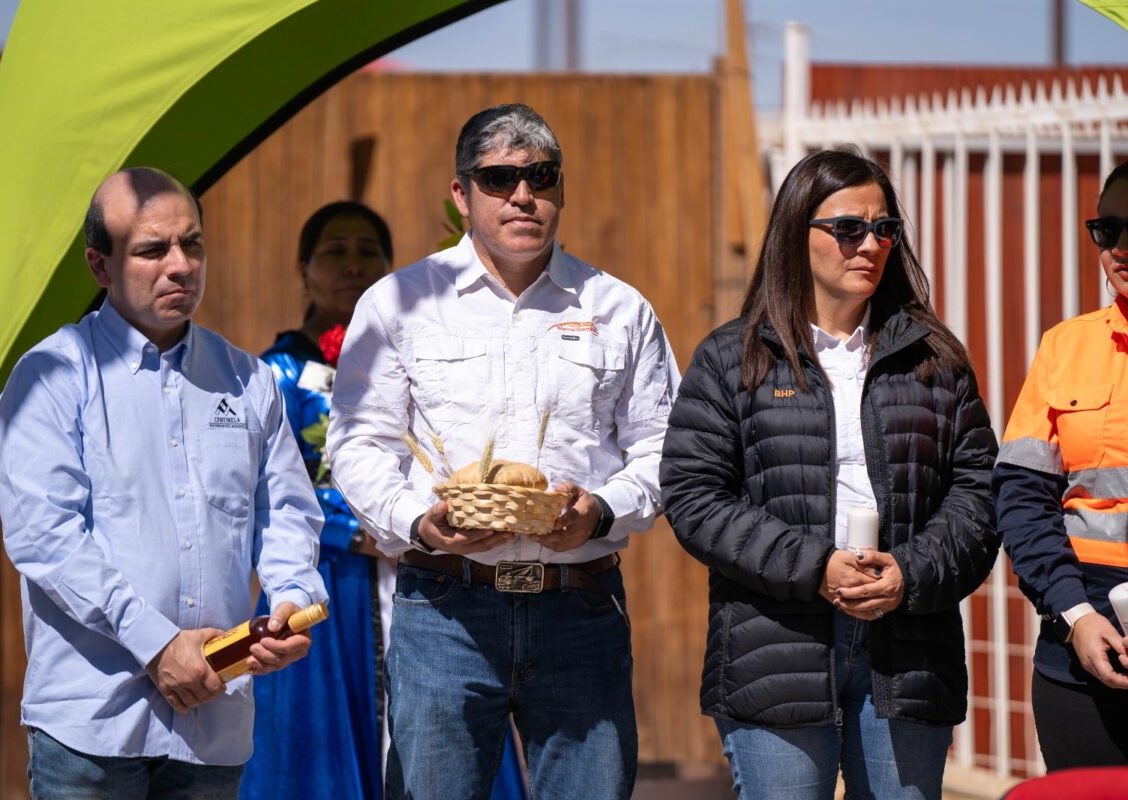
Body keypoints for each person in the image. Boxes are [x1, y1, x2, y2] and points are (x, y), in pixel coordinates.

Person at [325, 103, 680, 799]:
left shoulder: (619, 309)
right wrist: (418, 522)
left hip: (579, 607)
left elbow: (666, 449)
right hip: (444, 610)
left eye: (540, 176)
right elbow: (358, 441)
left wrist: (602, 510)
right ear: (461, 194)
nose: (523, 195)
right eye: (499, 178)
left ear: (561, 188)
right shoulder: (398, 302)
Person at [660, 149, 1000, 799]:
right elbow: (694, 495)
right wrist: (814, 566)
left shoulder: (935, 358)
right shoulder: (734, 358)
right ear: (797, 232)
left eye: (884, 230)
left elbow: (978, 493)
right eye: (848, 228)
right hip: (776, 649)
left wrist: (911, 572)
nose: (869, 244)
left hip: (907, 655)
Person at [0, 167, 328, 799]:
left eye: (192, 244)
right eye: (151, 249)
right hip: (92, 728)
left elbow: (286, 514)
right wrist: (158, 645)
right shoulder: (52, 378)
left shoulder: (248, 381)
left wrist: (289, 598)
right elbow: (47, 540)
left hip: (212, 725)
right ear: (99, 266)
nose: (180, 265)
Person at [241, 201, 527, 800]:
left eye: (367, 251)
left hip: (431, 569)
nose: (352, 265)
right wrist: (356, 527)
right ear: (303, 268)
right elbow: (268, 488)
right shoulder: (275, 375)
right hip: (332, 580)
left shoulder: (427, 358)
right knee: (323, 744)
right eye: (335, 252)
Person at [995, 159, 1128, 770]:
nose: (1119, 248)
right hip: (1079, 653)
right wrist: (1075, 614)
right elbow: (1021, 499)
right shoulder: (1064, 346)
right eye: (1107, 229)